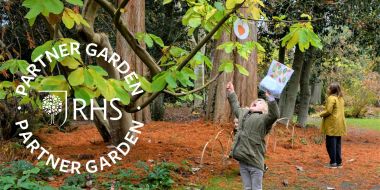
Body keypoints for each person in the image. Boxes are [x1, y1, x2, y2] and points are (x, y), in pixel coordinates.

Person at [226, 81, 279, 190]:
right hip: (243, 160)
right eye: (255, 101)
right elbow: (236, 106)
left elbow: (274, 115)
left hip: (255, 163)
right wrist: (231, 92)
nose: (256, 102)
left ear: (264, 110)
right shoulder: (243, 113)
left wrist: (271, 99)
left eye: (260, 102)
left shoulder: (264, 120)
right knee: (247, 187)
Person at [320, 82, 347, 169]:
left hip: (332, 124)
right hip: (340, 124)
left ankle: (333, 163)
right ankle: (339, 162)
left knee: (330, 144)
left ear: (332, 90)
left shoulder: (331, 98)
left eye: (329, 88)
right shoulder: (341, 98)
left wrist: (320, 114)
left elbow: (328, 111)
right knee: (337, 144)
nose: (328, 89)